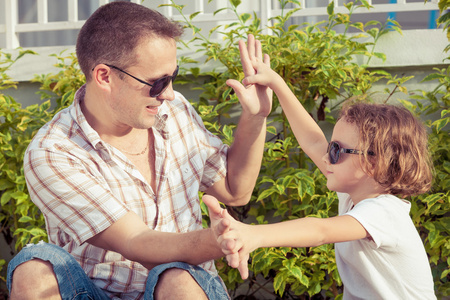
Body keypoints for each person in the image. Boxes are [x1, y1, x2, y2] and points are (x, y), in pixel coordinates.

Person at [6, 2, 272, 299]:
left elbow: (236, 191)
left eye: (173, 76)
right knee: (33, 271)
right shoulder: (53, 152)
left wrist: (256, 117)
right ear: (104, 76)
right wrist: (218, 241)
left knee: (176, 278)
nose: (169, 93)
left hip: (184, 286)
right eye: (158, 82)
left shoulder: (175, 110)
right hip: (95, 292)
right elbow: (137, 241)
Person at [204, 37, 437, 299]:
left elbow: (320, 231)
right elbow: (314, 141)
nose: (327, 157)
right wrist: (276, 83)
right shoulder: (355, 194)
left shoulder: (384, 212)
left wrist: (253, 235)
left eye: (337, 150)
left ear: (374, 162)